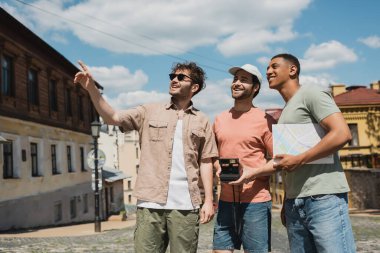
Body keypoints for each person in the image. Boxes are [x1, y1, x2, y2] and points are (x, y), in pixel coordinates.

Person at [74, 61, 218, 253]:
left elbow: (206, 161)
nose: (174, 80)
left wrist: (208, 200)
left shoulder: (202, 120)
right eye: (172, 76)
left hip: (186, 205)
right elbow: (114, 117)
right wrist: (91, 88)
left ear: (194, 87)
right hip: (150, 203)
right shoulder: (148, 111)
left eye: (181, 77)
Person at [264, 53, 356, 253]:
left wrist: (300, 159)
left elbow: (342, 133)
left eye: (274, 66)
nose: (268, 71)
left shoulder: (311, 93)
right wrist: (288, 200)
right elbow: (289, 163)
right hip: (295, 203)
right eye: (267, 68)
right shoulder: (286, 111)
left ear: (292, 70)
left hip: (323, 198)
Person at [212, 64, 275, 253]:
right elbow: (213, 155)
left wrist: (251, 173)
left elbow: (279, 161)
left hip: (256, 202)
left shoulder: (266, 119)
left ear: (255, 88)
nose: (237, 83)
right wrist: (217, 168)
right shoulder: (220, 118)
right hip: (225, 201)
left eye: (243, 80)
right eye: (235, 79)